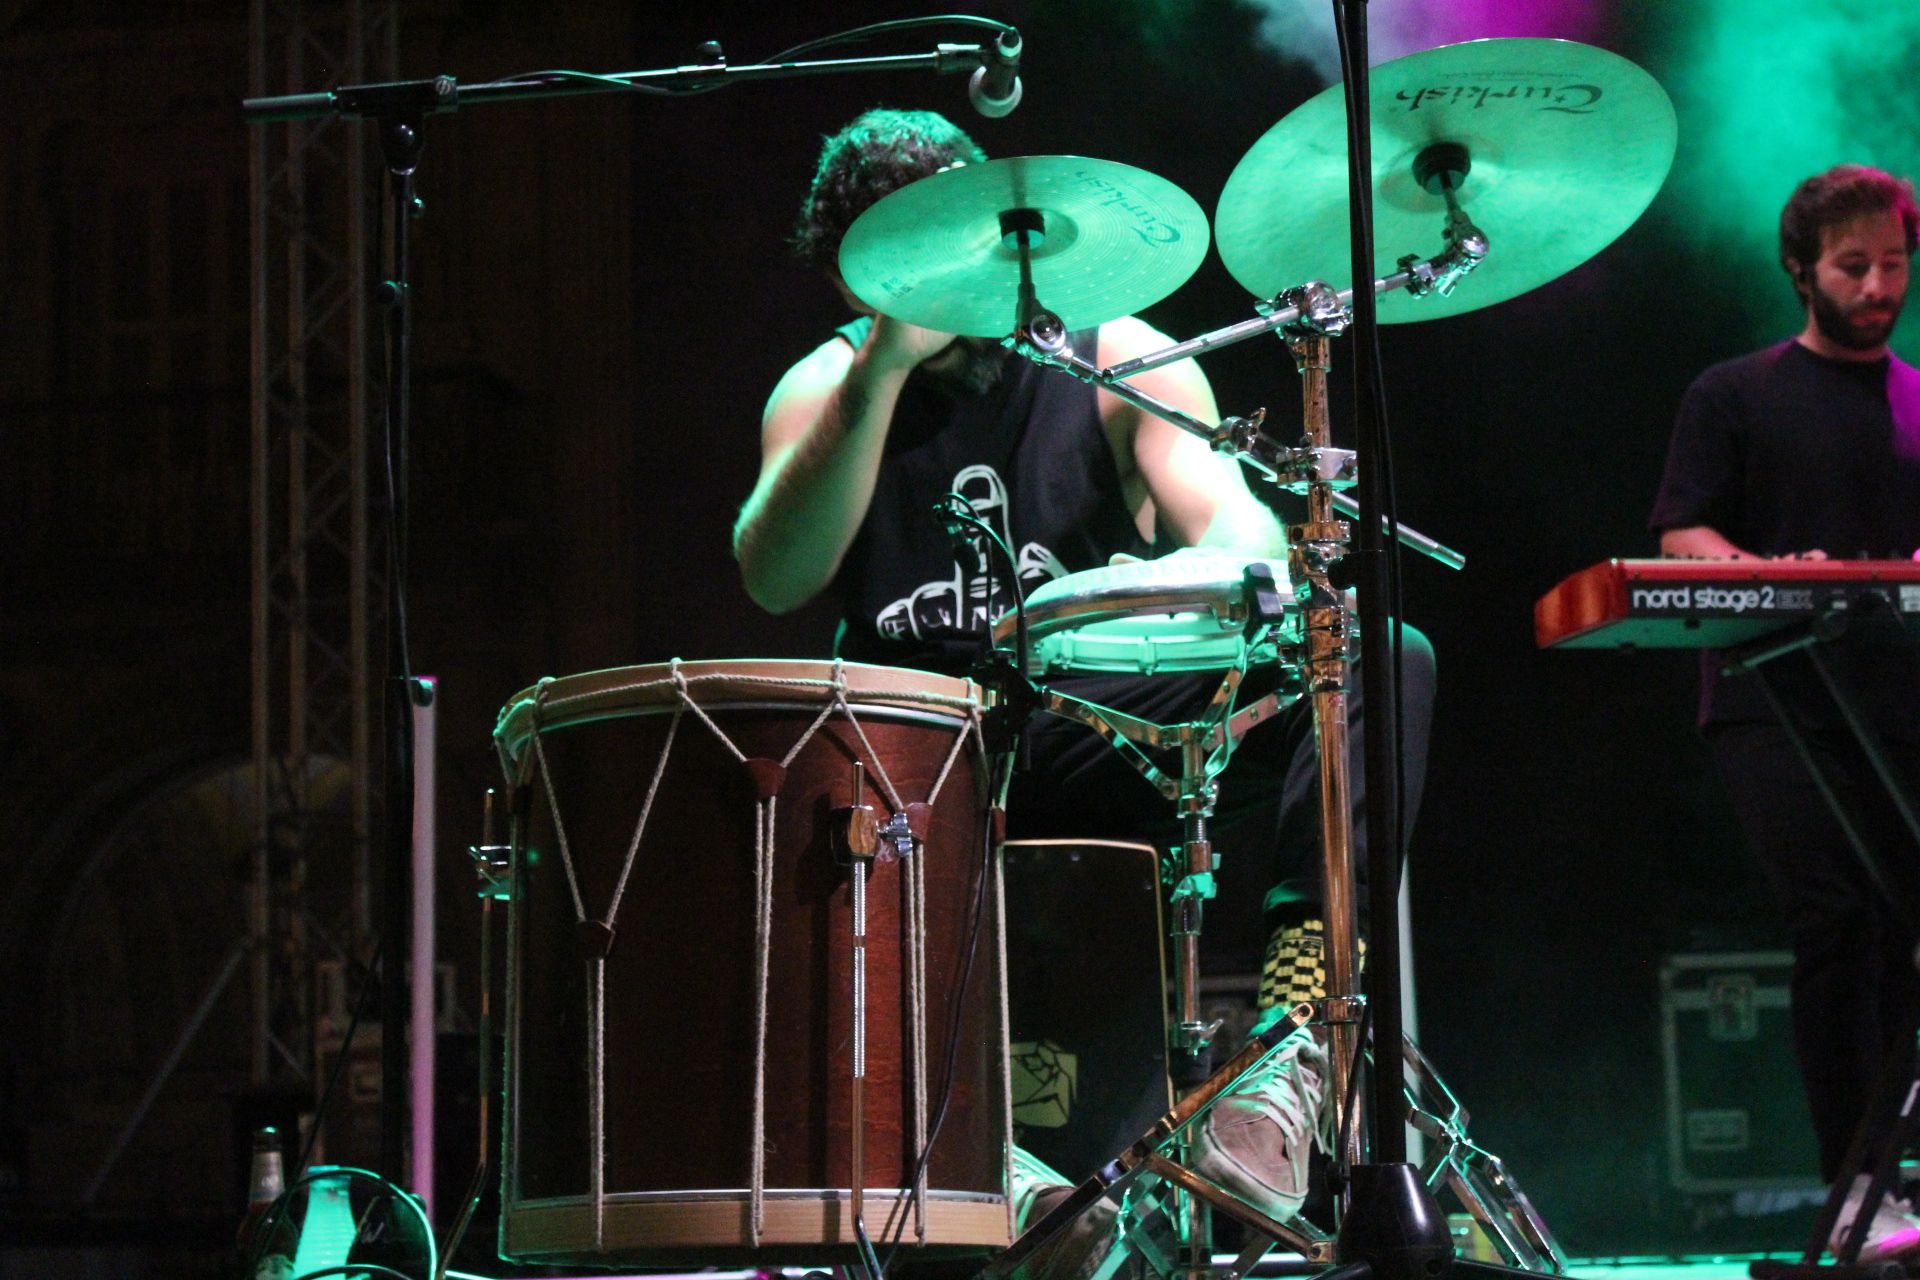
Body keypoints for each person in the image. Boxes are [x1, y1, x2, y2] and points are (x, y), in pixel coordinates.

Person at [735, 108, 1436, 1275]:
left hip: (1095, 725)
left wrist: (1183, 565)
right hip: (916, 761)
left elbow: (1240, 531)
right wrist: (883, 367)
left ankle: (1290, 1048)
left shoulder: (1116, 354)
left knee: (1371, 651)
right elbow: (774, 573)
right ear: (853, 272)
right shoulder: (825, 386)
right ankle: (975, 1170)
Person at [1651, 163, 1920, 1261]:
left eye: (1894, 265)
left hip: (1904, 701)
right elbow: (1682, 539)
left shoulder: (1915, 398)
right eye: (1853, 266)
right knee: (1842, 918)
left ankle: (1893, 1177)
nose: (1878, 286)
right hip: (1777, 700)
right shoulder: (1735, 392)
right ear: (1799, 267)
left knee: (1901, 925)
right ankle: (1859, 1190)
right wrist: (1775, 572)